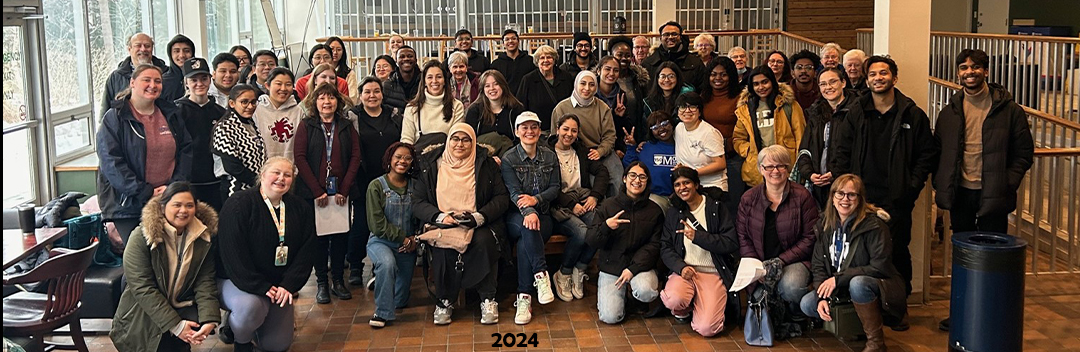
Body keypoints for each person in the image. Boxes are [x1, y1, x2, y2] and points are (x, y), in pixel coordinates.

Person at [932, 49, 1034, 332]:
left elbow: (1024, 153)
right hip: (960, 194)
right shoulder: (949, 111)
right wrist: (942, 183)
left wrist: (1006, 182)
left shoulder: (1009, 110)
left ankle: (989, 315)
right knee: (963, 257)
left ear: (986, 71)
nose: (969, 72)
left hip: (994, 195)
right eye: (963, 67)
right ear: (957, 73)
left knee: (991, 258)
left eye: (975, 67)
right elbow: (938, 150)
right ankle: (963, 312)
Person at [831, 55, 939, 297]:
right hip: (859, 199)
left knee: (897, 253)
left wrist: (911, 188)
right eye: (872, 74)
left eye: (883, 73)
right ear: (866, 80)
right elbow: (841, 152)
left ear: (894, 78)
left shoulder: (912, 114)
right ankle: (862, 307)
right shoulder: (856, 112)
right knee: (858, 252)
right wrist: (846, 192)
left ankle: (898, 307)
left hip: (897, 198)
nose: (878, 78)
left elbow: (926, 155)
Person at [412, 123, 510, 325]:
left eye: (466, 139)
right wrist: (440, 217)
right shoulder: (431, 165)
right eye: (455, 139)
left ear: (473, 142)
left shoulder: (485, 163)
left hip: (479, 222)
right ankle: (445, 300)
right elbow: (417, 202)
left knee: (483, 242)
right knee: (443, 248)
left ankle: (488, 298)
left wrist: (479, 216)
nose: (460, 144)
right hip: (443, 223)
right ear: (448, 141)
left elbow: (501, 197)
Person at [216, 157, 316, 352]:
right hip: (238, 280)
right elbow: (232, 254)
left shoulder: (299, 207)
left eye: (287, 175)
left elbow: (307, 250)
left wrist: (289, 284)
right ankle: (240, 339)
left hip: (277, 286)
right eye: (276, 173)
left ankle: (254, 326)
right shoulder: (238, 204)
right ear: (262, 175)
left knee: (277, 345)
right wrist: (259, 285)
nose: (281, 178)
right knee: (252, 307)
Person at [800, 174, 907, 352]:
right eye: (840, 194)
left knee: (859, 284)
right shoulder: (825, 225)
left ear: (860, 199)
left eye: (851, 195)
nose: (845, 199)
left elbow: (879, 267)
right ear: (832, 197)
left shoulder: (875, 226)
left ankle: (876, 342)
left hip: (879, 286)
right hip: (842, 287)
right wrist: (822, 296)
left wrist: (838, 279)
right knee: (807, 304)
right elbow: (818, 265)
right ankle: (857, 326)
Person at [110, 182, 220, 352]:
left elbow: (204, 281)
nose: (183, 210)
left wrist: (209, 319)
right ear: (162, 207)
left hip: (182, 306)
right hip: (143, 311)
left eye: (189, 205)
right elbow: (142, 287)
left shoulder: (202, 238)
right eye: (177, 205)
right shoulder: (141, 236)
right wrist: (176, 326)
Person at [97, 64, 191, 243]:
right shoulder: (115, 117)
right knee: (140, 259)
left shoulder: (170, 113)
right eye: (146, 80)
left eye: (157, 81)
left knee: (168, 256)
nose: (152, 85)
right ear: (132, 83)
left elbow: (186, 149)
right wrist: (144, 191)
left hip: (167, 198)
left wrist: (174, 185)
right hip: (129, 204)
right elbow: (111, 162)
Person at [293, 82, 362, 304]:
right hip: (314, 194)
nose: (326, 102)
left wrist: (344, 189)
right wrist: (316, 191)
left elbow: (355, 157)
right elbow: (300, 158)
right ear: (315, 102)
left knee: (340, 237)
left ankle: (338, 281)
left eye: (331, 98)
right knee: (319, 240)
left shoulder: (345, 125)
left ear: (337, 101)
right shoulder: (307, 125)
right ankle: (322, 282)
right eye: (322, 98)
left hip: (341, 192)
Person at [736, 145, 819, 315]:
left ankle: (799, 313)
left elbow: (810, 237)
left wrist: (780, 261)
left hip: (794, 260)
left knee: (790, 287)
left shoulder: (802, 196)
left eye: (781, 165)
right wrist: (756, 267)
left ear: (787, 168)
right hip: (760, 262)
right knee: (759, 299)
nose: (775, 171)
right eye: (769, 166)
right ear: (761, 169)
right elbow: (743, 236)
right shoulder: (748, 198)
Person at [659, 168, 739, 337]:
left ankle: (703, 304)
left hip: (712, 273)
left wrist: (698, 237)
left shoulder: (716, 208)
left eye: (686, 182)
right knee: (673, 298)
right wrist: (680, 267)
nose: (682, 188)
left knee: (708, 329)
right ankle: (685, 309)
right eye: (677, 185)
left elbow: (731, 242)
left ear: (696, 184)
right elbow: (665, 247)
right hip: (685, 271)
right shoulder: (674, 212)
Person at [500, 112, 560, 325]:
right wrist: (528, 211)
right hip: (515, 216)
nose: (529, 131)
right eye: (524, 127)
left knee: (528, 236)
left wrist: (535, 201)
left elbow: (555, 188)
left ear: (539, 130)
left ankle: (524, 297)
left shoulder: (550, 156)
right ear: (517, 132)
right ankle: (541, 276)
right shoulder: (509, 159)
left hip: (543, 215)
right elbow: (513, 193)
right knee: (527, 227)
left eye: (533, 127)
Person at [586, 161, 664, 324]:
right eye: (633, 175)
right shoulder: (607, 206)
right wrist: (606, 226)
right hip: (612, 267)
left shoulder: (654, 211)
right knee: (610, 317)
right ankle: (621, 299)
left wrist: (633, 268)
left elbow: (654, 245)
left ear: (647, 182)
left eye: (642, 177)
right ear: (624, 179)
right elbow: (591, 239)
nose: (637, 180)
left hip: (639, 267)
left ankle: (636, 297)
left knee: (646, 291)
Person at [347, 76, 404, 286]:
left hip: (390, 179)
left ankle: (379, 266)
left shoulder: (394, 115)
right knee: (362, 223)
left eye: (376, 91)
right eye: (367, 92)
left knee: (387, 222)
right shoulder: (353, 117)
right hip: (363, 179)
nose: (372, 96)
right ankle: (355, 265)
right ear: (360, 95)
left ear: (382, 93)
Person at [548, 114, 609, 302]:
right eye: (565, 129)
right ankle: (563, 273)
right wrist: (570, 204)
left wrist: (594, 196)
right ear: (557, 129)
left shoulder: (580, 151)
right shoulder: (546, 153)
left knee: (601, 228)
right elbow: (548, 187)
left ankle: (580, 268)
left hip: (582, 201)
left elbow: (602, 171)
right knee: (582, 233)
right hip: (558, 206)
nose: (569, 134)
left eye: (573, 130)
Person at [365, 142, 420, 328]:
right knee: (386, 263)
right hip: (381, 242)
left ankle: (383, 279)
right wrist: (403, 238)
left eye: (407, 158)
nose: (402, 161)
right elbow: (377, 225)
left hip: (408, 244)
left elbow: (421, 216)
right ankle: (381, 314)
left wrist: (414, 239)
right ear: (390, 159)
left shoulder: (416, 187)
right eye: (398, 157)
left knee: (400, 301)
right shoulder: (376, 186)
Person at [732, 66, 805, 187]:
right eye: (756, 84)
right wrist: (749, 151)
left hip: (786, 164)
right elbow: (737, 138)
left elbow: (800, 135)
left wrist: (799, 163)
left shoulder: (788, 105)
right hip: (758, 168)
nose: (761, 87)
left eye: (765, 82)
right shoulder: (745, 109)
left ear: (772, 81)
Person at [551, 71, 622, 194]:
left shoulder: (603, 108)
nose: (587, 88)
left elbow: (610, 136)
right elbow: (554, 136)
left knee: (619, 181)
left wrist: (600, 151)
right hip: (576, 153)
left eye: (592, 84)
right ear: (576, 84)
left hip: (601, 150)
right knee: (593, 184)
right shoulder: (561, 108)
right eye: (583, 84)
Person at [174, 58, 227, 211]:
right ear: (186, 82)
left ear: (210, 79)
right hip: (188, 182)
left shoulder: (221, 112)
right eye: (194, 79)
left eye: (204, 78)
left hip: (216, 181)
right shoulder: (177, 112)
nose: (199, 84)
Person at [797, 67, 853, 209]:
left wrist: (835, 173)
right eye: (823, 84)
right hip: (817, 186)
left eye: (833, 82)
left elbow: (857, 152)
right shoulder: (815, 113)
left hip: (845, 185)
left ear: (843, 83)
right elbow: (804, 149)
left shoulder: (856, 112)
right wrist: (809, 174)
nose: (828, 87)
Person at [700, 57, 743, 206]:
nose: (718, 78)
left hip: (732, 157)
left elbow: (745, 130)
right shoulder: (703, 98)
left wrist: (729, 144)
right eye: (713, 74)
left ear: (731, 76)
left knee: (732, 202)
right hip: (707, 158)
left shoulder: (741, 99)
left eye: (723, 74)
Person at [212, 84, 266, 197]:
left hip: (256, 188)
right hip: (234, 189)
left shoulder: (251, 124)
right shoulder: (224, 127)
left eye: (253, 102)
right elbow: (233, 168)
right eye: (244, 102)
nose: (250, 106)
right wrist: (260, 182)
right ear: (232, 103)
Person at [400, 60, 466, 147]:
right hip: (420, 157)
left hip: (447, 157)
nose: (434, 81)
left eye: (439, 77)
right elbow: (407, 140)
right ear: (424, 81)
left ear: (445, 81)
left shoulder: (457, 106)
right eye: (430, 77)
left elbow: (456, 139)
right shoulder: (412, 108)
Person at [100, 33, 168, 114]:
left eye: (147, 46)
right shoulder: (115, 78)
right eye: (138, 45)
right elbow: (105, 111)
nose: (143, 49)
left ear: (152, 49)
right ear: (129, 49)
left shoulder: (166, 74)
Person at [623, 111, 677, 210]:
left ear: (672, 123)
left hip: (681, 194)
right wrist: (631, 147)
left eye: (664, 124)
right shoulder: (646, 147)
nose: (661, 129)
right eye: (655, 128)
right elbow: (630, 165)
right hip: (656, 197)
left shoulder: (683, 144)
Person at [673, 93, 727, 191]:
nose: (687, 111)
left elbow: (720, 164)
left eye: (692, 107)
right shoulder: (678, 128)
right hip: (688, 187)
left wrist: (691, 173)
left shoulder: (709, 132)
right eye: (683, 107)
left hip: (711, 186)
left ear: (700, 111)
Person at [465, 70, 523, 153]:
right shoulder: (474, 110)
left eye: (496, 84)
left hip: (512, 156)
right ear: (483, 89)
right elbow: (469, 139)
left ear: (503, 85)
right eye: (487, 86)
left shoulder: (516, 108)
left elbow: (521, 138)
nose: (492, 88)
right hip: (482, 157)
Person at [517, 45, 574, 131]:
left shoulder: (566, 77)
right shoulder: (528, 80)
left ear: (554, 60)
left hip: (564, 128)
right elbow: (521, 105)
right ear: (537, 61)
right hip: (539, 130)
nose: (545, 60)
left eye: (549, 57)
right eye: (542, 58)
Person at [253, 68, 304, 160]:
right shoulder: (256, 109)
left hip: (291, 170)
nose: (283, 88)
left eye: (288, 84)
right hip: (264, 169)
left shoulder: (299, 111)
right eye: (278, 84)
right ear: (267, 85)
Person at [608, 36, 650, 145]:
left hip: (635, 132)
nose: (624, 58)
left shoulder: (640, 80)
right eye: (619, 55)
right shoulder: (603, 81)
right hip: (611, 134)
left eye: (627, 55)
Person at [642, 21, 706, 88]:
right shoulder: (649, 63)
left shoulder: (695, 63)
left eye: (674, 34)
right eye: (666, 34)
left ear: (680, 37)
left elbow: (703, 88)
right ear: (661, 38)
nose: (670, 37)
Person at [593, 56, 634, 155]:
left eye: (616, 70)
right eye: (607, 69)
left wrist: (619, 117)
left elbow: (625, 129)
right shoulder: (590, 92)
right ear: (599, 71)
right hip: (591, 145)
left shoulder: (622, 95)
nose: (611, 73)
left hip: (614, 147)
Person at [382, 46, 420, 113]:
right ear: (396, 61)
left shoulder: (424, 82)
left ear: (416, 60)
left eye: (410, 56)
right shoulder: (387, 85)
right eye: (402, 57)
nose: (406, 59)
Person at [161, 34, 196, 103]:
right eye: (176, 51)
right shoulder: (163, 82)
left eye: (186, 51)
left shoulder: (200, 79)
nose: (182, 55)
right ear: (170, 55)